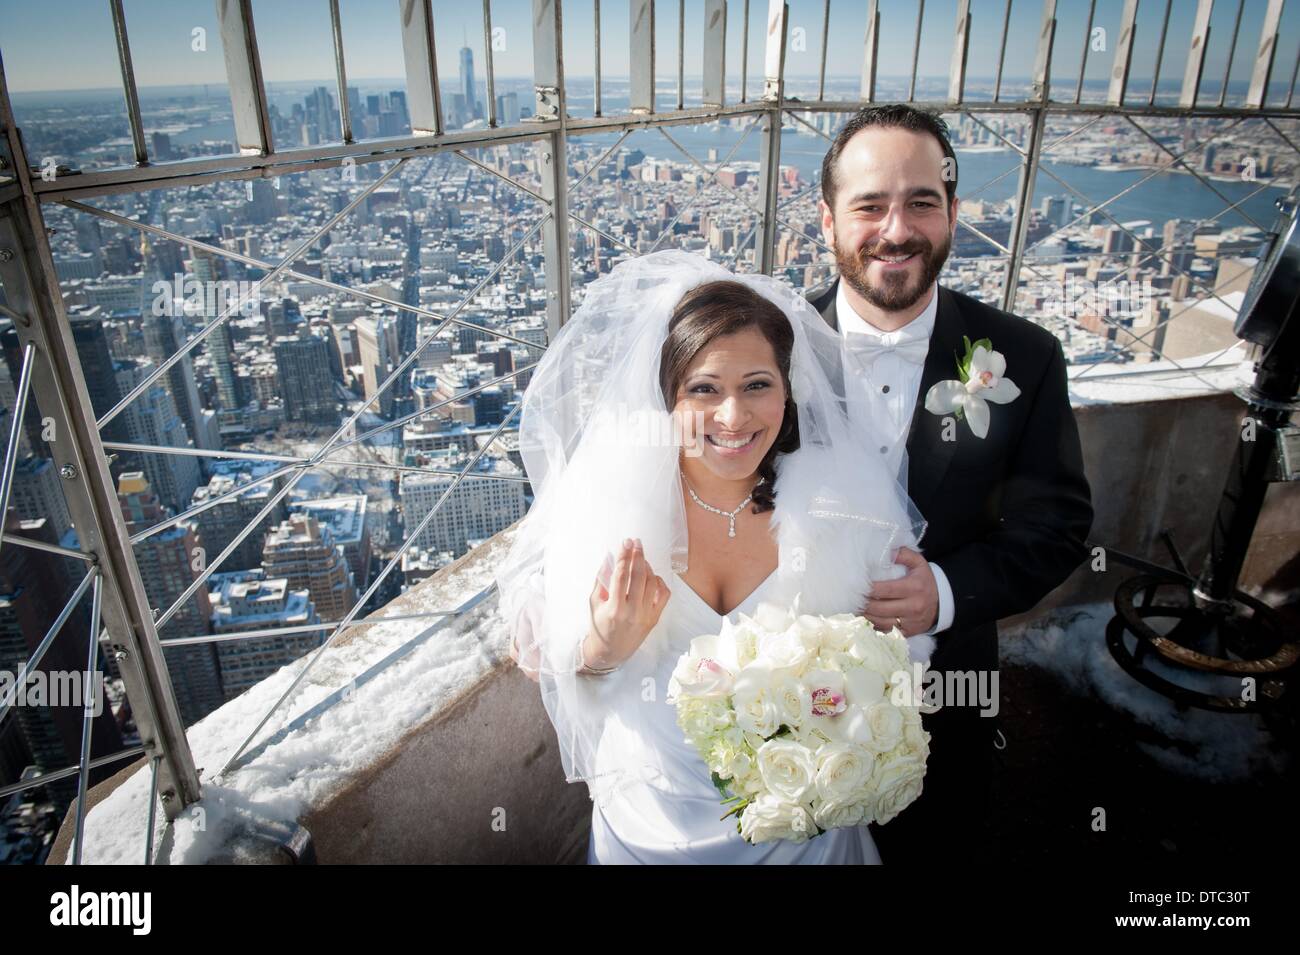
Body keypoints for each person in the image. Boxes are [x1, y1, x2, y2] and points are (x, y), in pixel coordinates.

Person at [496, 250, 932, 864]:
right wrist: (601, 653)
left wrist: (843, 724)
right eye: (704, 390)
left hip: (804, 824)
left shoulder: (846, 507)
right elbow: (555, 662)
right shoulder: (610, 506)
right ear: (668, 398)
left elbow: (902, 659)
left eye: (758, 386)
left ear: (790, 388)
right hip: (651, 823)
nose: (733, 417)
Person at [807, 104, 1094, 863]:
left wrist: (946, 590)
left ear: (954, 215)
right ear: (828, 220)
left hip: (948, 697)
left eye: (922, 202)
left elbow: (1056, 524)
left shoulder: (1024, 356)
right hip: (791, 690)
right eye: (869, 205)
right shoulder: (773, 351)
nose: (896, 230)